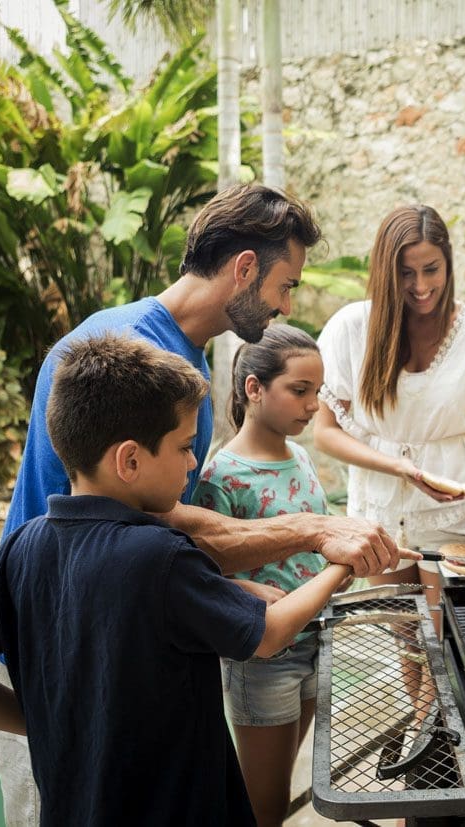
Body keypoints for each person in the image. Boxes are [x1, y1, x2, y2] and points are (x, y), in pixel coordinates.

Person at [0, 184, 413, 825]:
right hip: (51, 656)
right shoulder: (120, 356)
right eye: (285, 285)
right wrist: (317, 532)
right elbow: (143, 526)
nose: (286, 305)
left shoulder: (188, 374)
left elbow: (163, 537)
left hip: (115, 654)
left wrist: (253, 590)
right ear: (245, 268)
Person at [0, 333, 353, 827]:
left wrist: (46, 722)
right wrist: (339, 562)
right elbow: (268, 635)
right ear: (130, 460)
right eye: (184, 446)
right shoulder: (161, 556)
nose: (192, 462)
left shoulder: (22, 546)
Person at [313, 204, 465, 616]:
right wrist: (399, 468)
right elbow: (325, 431)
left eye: (431, 269)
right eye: (406, 272)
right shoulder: (351, 328)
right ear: (386, 271)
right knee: (406, 639)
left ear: (449, 265)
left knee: (452, 634)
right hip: (380, 509)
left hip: (456, 509)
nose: (421, 285)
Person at [190, 325, 332, 826]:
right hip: (264, 659)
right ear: (254, 388)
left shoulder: (304, 458)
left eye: (317, 392)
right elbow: (199, 571)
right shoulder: (220, 477)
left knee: (287, 772)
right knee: (264, 804)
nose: (313, 405)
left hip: (319, 640)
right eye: (300, 390)